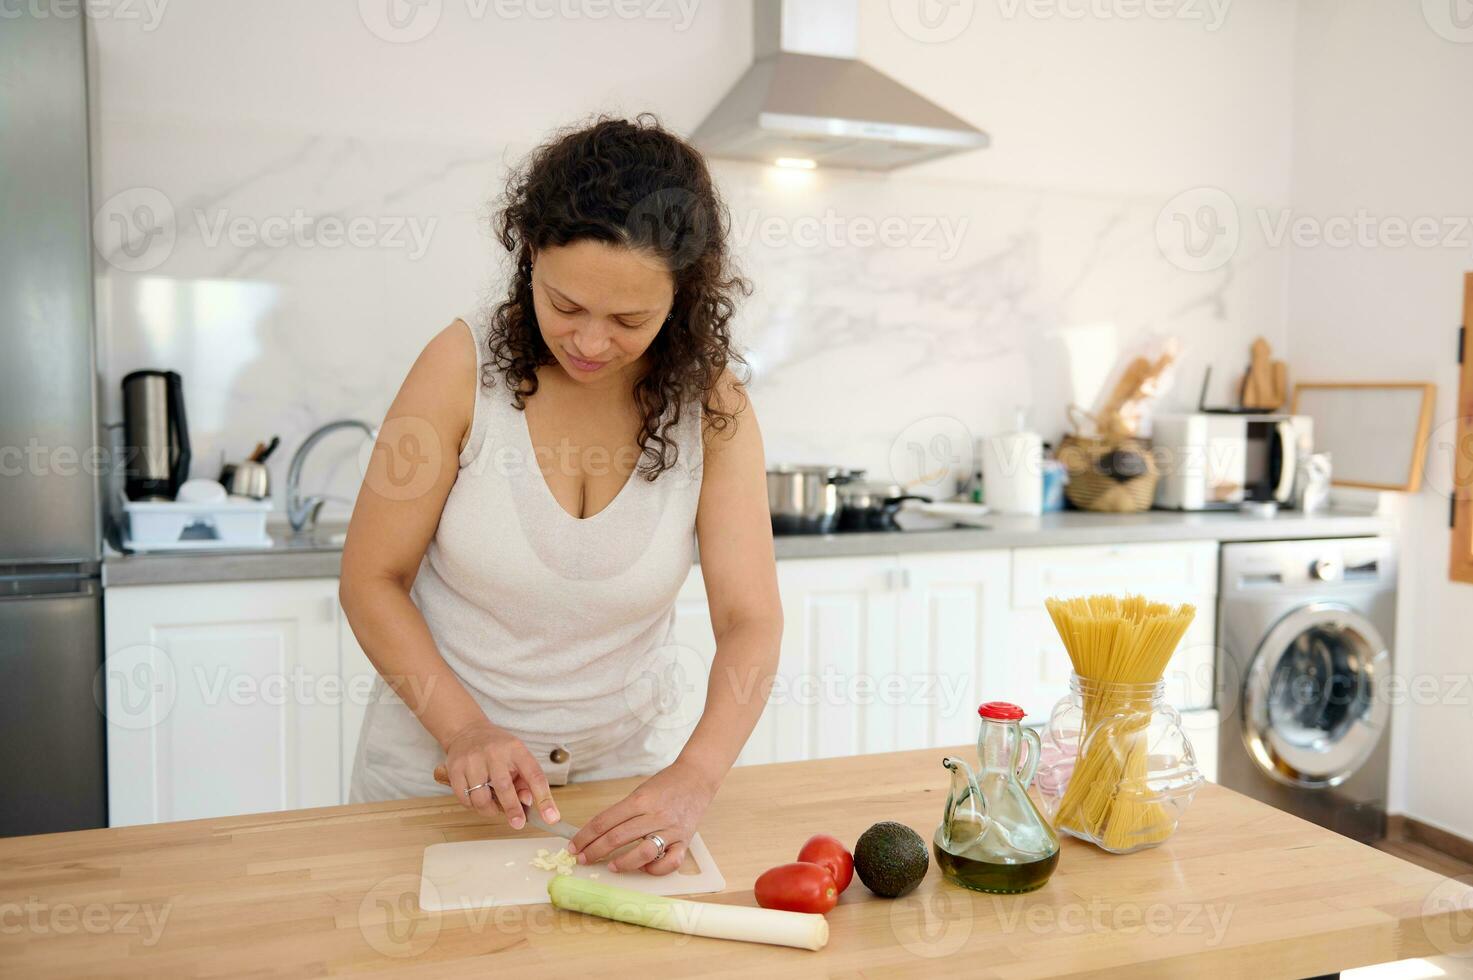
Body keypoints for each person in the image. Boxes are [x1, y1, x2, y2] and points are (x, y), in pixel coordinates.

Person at [338, 115, 781, 876]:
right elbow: (370, 581)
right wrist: (464, 732)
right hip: (435, 781)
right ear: (529, 257)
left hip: (621, 795)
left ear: (681, 297)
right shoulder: (457, 368)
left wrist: (694, 777)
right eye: (565, 305)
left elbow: (749, 619)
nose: (589, 342)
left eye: (629, 320)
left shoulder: (714, 407)